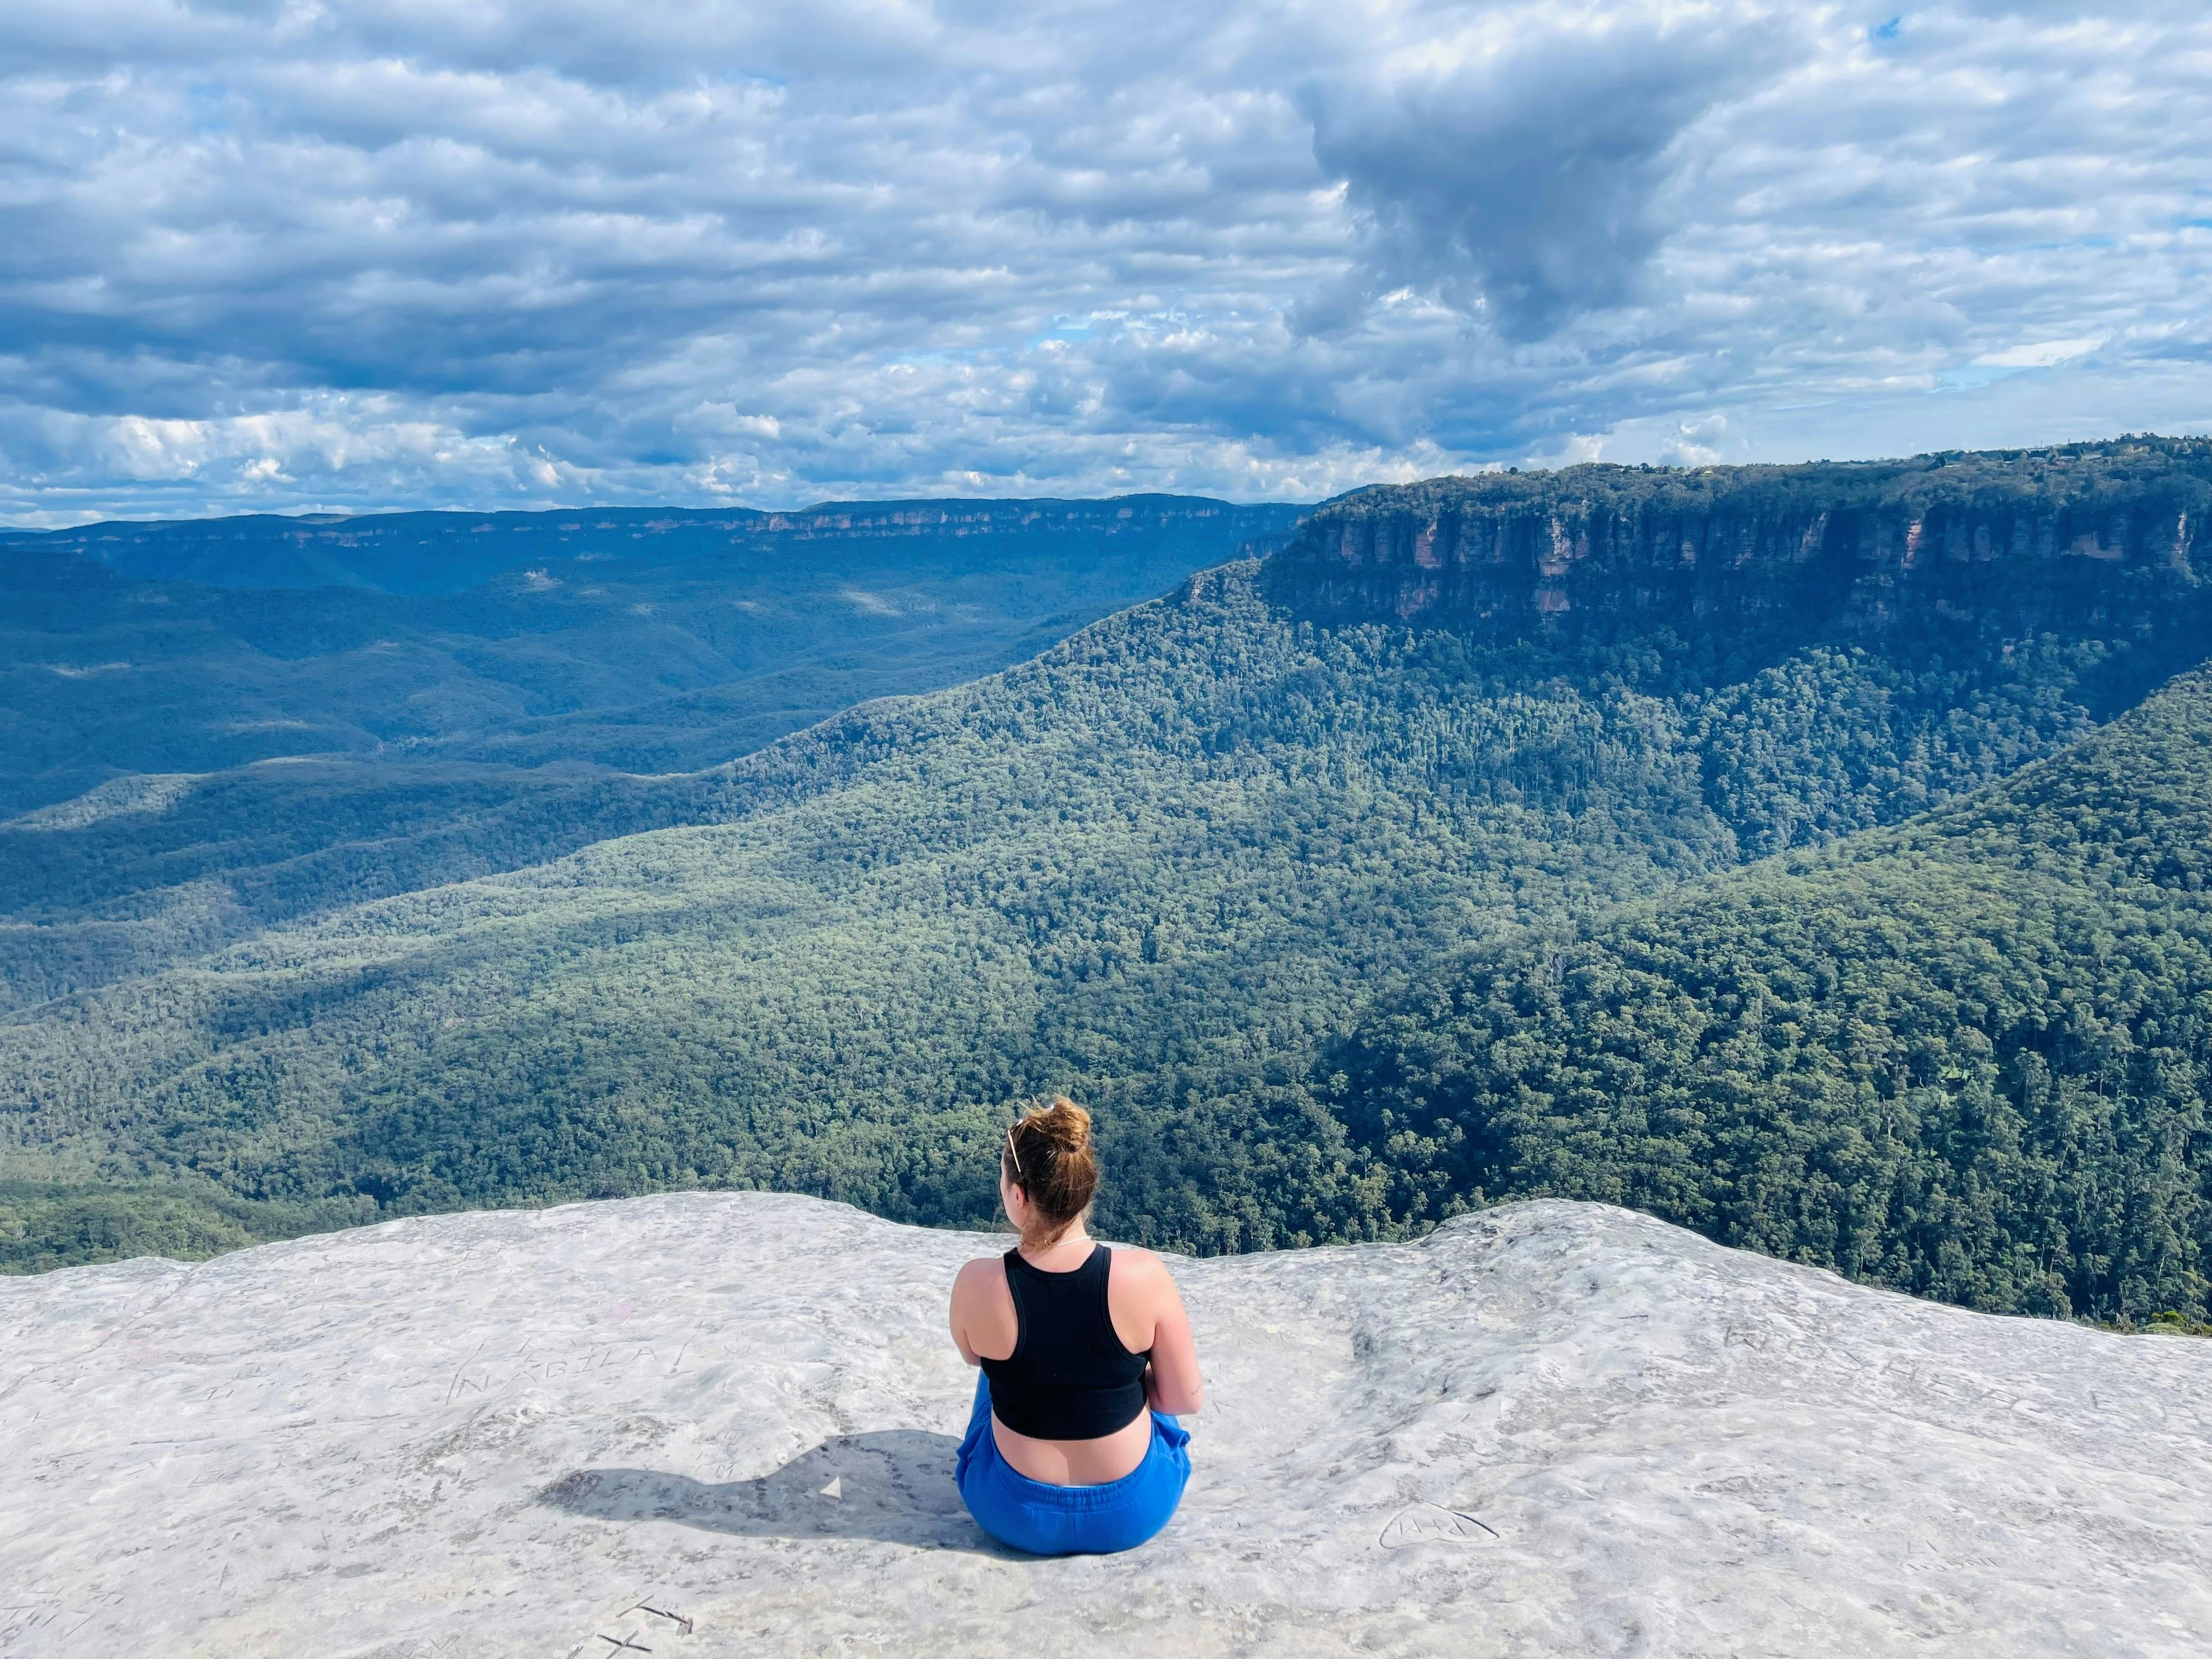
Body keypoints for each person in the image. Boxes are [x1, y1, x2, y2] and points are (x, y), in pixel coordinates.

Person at [946, 1097, 1204, 1555]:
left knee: (993, 1373)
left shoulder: (976, 1282)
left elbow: (973, 1357)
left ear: (1019, 1196)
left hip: (1013, 1513)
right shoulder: (1144, 1275)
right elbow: (1184, 1398)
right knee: (1148, 1372)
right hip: (1132, 1512)